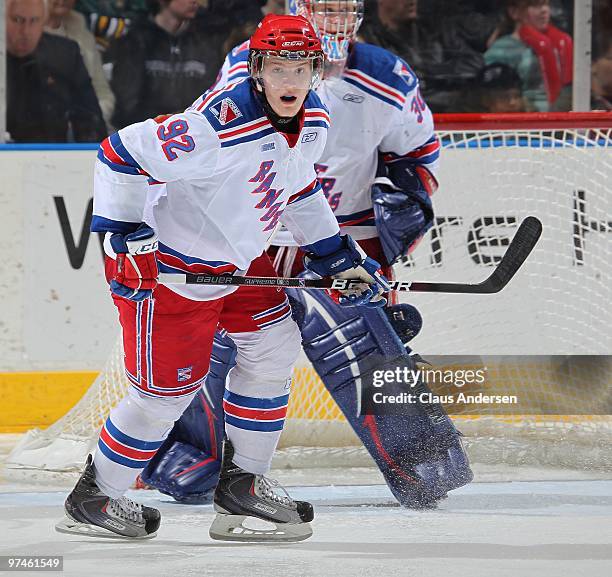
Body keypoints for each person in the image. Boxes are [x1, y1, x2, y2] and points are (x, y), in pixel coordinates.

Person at [55, 14, 389, 542]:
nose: (290, 82)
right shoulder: (218, 124)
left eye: (300, 69)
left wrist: (334, 254)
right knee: (164, 395)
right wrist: (124, 235)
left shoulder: (315, 122)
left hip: (235, 269)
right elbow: (119, 152)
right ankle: (95, 497)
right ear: (257, 69)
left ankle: (243, 487)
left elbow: (298, 191)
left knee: (274, 349)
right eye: (278, 68)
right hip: (170, 275)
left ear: (315, 72)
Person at [142, 0, 473, 510]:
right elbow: (213, 147)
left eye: (344, 9)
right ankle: (187, 456)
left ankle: (423, 458)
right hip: (259, 239)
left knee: (364, 345)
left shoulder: (388, 75)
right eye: (323, 8)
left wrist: (399, 211)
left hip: (340, 239)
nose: (333, 20)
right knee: (210, 345)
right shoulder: (248, 61)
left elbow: (419, 155)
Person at [109, 0, 226, 128]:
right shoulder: (136, 39)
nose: (194, 1)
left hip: (194, 131)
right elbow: (127, 100)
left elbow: (213, 93)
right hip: (144, 132)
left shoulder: (206, 41)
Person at [6, 0, 107, 142]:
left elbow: (91, 124)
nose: (25, 31)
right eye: (17, 20)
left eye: (34, 20)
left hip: (54, 157)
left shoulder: (65, 54)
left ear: (44, 21)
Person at [484, 0, 573, 112]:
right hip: (524, 121)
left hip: (563, 120)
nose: (544, 10)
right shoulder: (502, 50)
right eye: (535, 5)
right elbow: (495, 98)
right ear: (514, 12)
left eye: (546, 4)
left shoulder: (561, 44)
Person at [45, 0, 116, 128]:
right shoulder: (20, 35)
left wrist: (89, 119)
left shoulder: (81, 32)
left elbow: (103, 92)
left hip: (83, 132)